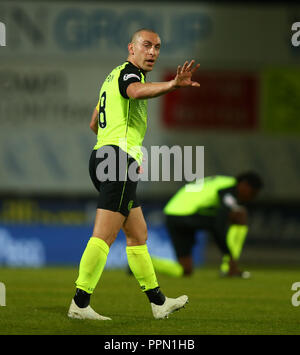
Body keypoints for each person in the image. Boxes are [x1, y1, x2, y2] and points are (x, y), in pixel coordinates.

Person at [67, 28, 200, 320]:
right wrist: (173, 85)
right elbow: (135, 91)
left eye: (157, 47)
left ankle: (158, 302)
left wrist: (110, 146)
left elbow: (94, 123)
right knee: (103, 236)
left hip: (104, 156)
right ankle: (80, 303)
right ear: (131, 48)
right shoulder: (130, 75)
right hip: (116, 160)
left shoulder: (111, 76)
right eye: (146, 45)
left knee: (138, 235)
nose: (152, 52)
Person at [151, 172, 263, 278]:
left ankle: (142, 262)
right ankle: (229, 267)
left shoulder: (222, 182)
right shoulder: (228, 190)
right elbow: (217, 227)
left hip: (172, 213)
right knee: (240, 216)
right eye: (252, 193)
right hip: (186, 214)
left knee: (185, 270)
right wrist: (229, 254)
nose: (251, 198)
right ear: (244, 185)